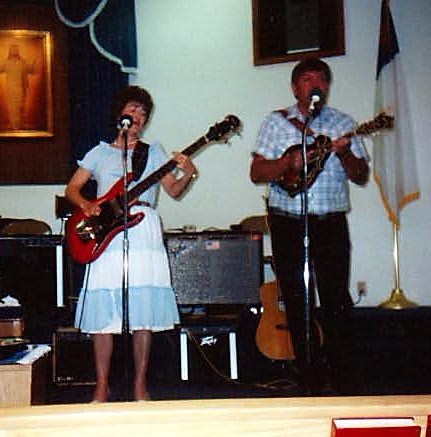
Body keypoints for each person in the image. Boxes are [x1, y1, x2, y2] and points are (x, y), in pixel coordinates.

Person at [65, 85, 197, 402]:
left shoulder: (153, 152)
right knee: (103, 314)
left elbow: (173, 190)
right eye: (133, 109)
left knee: (143, 311)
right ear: (120, 113)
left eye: (143, 112)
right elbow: (72, 189)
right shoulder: (99, 152)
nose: (138, 116)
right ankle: (101, 384)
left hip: (143, 228)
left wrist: (189, 173)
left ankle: (139, 383)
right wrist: (86, 205)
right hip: (106, 232)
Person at [250, 57, 369, 395]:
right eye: (307, 78)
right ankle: (309, 381)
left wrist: (344, 154)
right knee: (296, 299)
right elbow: (257, 173)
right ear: (294, 88)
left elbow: (360, 175)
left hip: (330, 222)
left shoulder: (343, 123)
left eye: (320, 78)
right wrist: (288, 161)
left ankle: (345, 383)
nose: (315, 84)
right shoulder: (276, 122)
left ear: (327, 86)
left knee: (336, 299)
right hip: (288, 221)